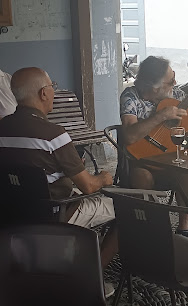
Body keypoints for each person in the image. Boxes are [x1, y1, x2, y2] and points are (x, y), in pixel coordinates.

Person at [0, 67, 117, 297]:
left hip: (12, 214)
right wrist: (104, 177)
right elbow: (89, 186)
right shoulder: (54, 134)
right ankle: (90, 280)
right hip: (54, 213)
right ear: (44, 93)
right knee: (123, 208)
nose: (54, 91)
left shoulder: (2, 128)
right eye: (52, 86)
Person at [120, 56, 188, 234]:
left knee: (187, 170)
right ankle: (153, 226)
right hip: (141, 160)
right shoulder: (131, 97)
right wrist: (161, 116)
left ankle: (183, 228)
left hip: (170, 160)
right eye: (170, 81)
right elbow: (129, 136)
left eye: (174, 76)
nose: (175, 82)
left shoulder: (176, 94)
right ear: (155, 87)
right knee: (141, 175)